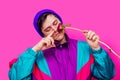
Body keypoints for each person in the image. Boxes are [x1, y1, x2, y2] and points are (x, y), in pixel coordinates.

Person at [8, 9, 115, 80]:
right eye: (48, 29)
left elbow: (107, 75)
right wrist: (35, 50)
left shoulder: (85, 48)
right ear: (43, 34)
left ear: (61, 22)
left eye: (55, 23)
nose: (55, 29)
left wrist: (96, 49)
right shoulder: (35, 58)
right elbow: (15, 78)